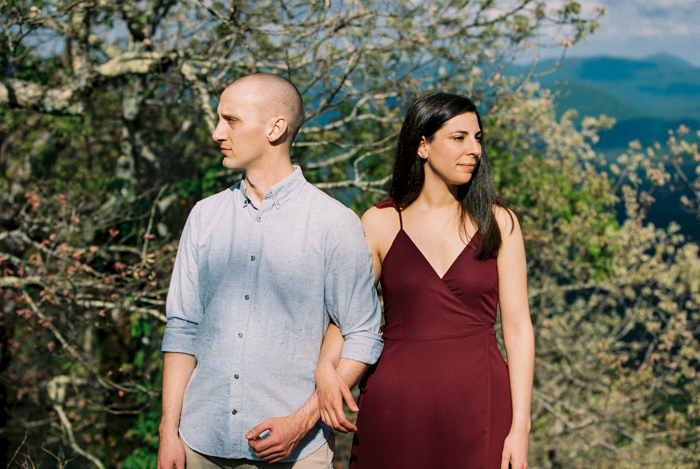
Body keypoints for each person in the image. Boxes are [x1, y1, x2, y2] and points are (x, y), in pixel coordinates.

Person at [157, 73, 384, 469]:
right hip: (198, 443)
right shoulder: (204, 216)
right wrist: (168, 433)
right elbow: (182, 326)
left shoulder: (334, 223)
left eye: (230, 120)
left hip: (297, 453)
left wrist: (300, 424)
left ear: (275, 127)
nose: (216, 132)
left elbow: (363, 333)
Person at [314, 92, 535, 469]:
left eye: (477, 138)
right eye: (458, 137)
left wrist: (520, 427)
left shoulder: (499, 223)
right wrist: (324, 367)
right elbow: (350, 313)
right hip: (397, 401)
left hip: (479, 401)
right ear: (422, 145)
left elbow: (517, 329)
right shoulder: (380, 222)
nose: (474, 149)